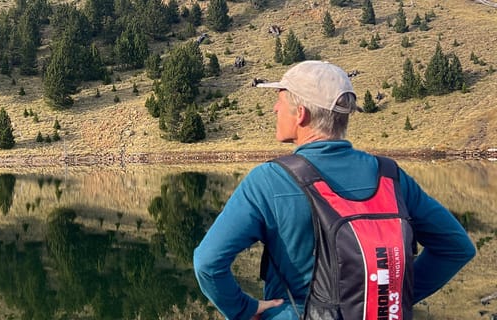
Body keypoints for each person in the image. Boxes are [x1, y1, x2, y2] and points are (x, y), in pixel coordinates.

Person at [192, 61, 476, 319]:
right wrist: (392, 297)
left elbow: (208, 263)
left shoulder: (269, 180)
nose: (275, 109)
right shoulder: (390, 176)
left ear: (301, 114)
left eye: (280, 100)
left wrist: (244, 309)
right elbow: (456, 248)